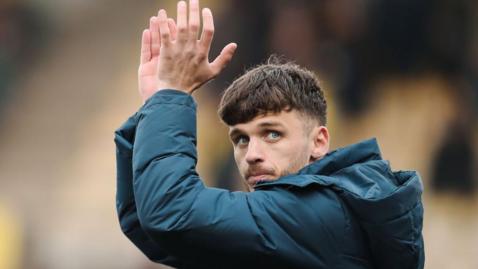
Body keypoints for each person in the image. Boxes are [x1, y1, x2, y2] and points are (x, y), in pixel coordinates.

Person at [114, 0, 425, 268]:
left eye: (272, 134)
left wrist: (173, 95)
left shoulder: (315, 215)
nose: (252, 154)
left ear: (319, 142)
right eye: (241, 139)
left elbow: (171, 214)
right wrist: (156, 103)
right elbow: (153, 227)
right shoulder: (295, 225)